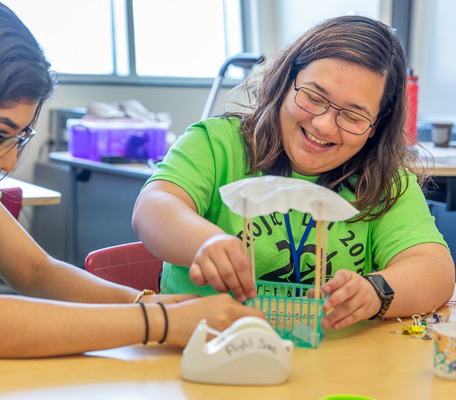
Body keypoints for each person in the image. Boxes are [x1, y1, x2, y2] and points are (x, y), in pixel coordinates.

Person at [0, 0, 263, 358]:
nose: (8, 161)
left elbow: (37, 272)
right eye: (0, 132)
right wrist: (158, 321)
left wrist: (157, 304)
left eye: (18, 138)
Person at [132, 15, 456, 332]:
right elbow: (154, 207)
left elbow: (435, 269)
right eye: (314, 97)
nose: (324, 125)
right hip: (199, 352)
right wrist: (205, 241)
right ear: (287, 82)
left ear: (377, 126)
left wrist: (375, 292)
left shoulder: (384, 181)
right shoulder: (218, 144)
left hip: (330, 367)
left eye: (354, 117)